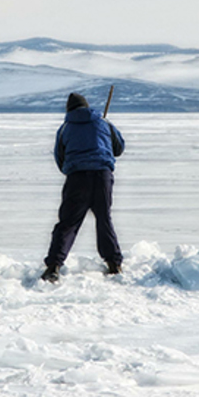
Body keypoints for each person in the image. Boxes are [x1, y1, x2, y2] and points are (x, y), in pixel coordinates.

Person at [41, 92, 125, 282]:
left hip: (77, 178)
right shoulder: (104, 123)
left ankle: (54, 266)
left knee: (68, 223)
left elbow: (59, 157)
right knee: (104, 219)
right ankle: (114, 263)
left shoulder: (65, 128)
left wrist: (72, 170)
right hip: (102, 176)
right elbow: (118, 148)